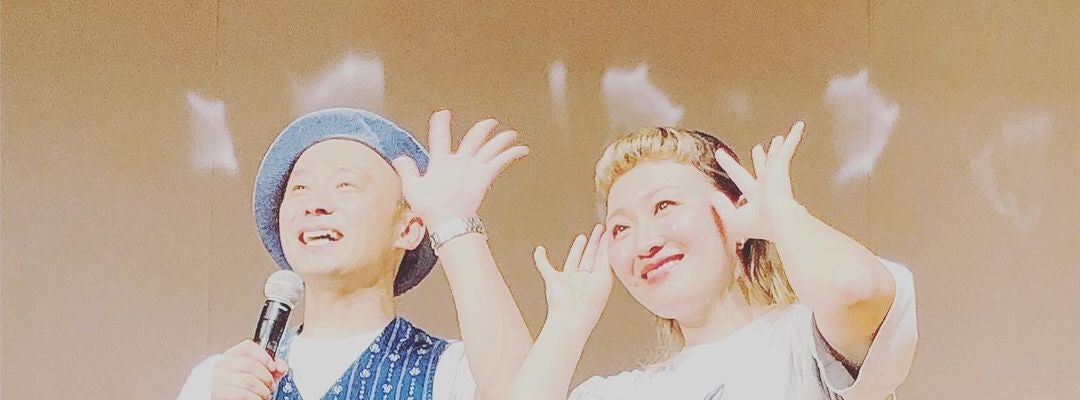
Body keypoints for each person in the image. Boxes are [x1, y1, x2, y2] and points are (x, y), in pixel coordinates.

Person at [510, 122, 917, 399]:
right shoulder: (620, 393)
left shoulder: (807, 341)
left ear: (736, 214)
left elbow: (854, 289)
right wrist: (566, 324)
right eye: (620, 228)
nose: (644, 242)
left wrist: (782, 216)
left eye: (664, 206)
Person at [177, 108, 532, 400]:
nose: (315, 205)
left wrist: (453, 221)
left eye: (345, 185)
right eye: (300, 188)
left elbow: (524, 390)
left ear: (408, 229)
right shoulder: (218, 380)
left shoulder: (449, 371)